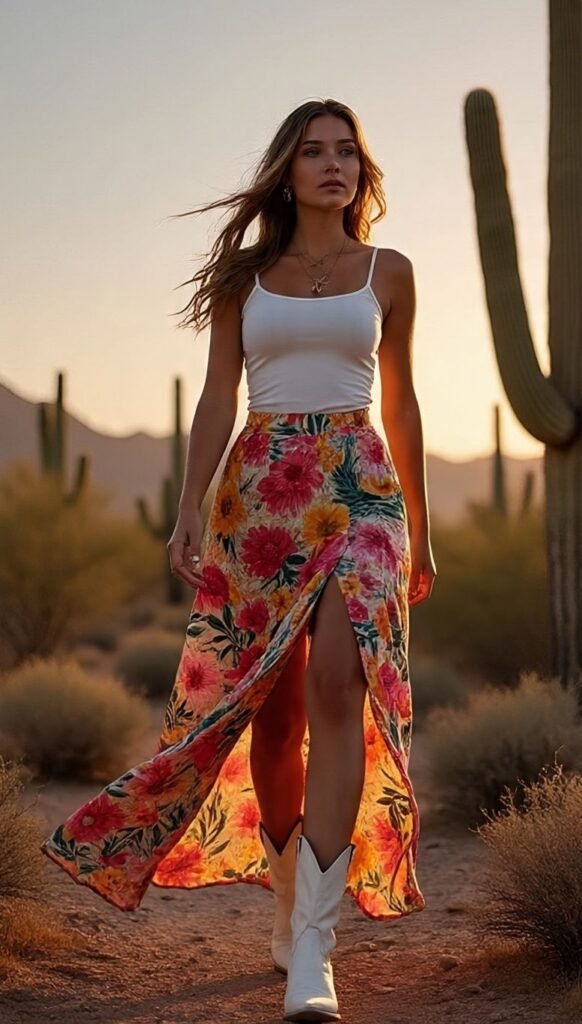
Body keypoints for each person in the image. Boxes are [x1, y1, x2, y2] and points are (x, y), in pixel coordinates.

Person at [40, 97, 436, 1023]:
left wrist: (420, 523)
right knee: (275, 713)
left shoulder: (391, 273)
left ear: (360, 172)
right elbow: (217, 397)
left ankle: (315, 945)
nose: (332, 165)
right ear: (287, 171)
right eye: (313, 152)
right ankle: (289, 895)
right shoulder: (245, 278)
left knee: (342, 684)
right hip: (260, 494)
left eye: (347, 152)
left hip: (362, 484)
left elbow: (406, 403)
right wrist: (186, 511)